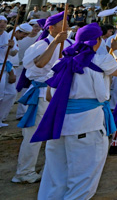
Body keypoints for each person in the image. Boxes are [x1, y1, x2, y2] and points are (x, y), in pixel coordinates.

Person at [32, 24, 117, 200]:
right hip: (87, 125)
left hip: (58, 125)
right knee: (82, 183)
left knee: (54, 179)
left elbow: (49, 96)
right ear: (97, 41)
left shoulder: (61, 61)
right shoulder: (100, 59)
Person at [13, 12, 72, 184]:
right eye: (63, 23)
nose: (67, 26)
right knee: (34, 134)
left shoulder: (69, 43)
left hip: (60, 94)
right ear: (52, 28)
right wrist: (54, 43)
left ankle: (53, 169)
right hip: (40, 94)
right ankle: (24, 172)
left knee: (59, 133)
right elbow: (40, 64)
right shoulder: (40, 45)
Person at [0, 17, 21, 126]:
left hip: (6, 67)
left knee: (11, 93)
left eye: (5, 22)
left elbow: (12, 54)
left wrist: (12, 47)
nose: (2, 24)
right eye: (0, 22)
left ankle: (1, 117)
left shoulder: (8, 36)